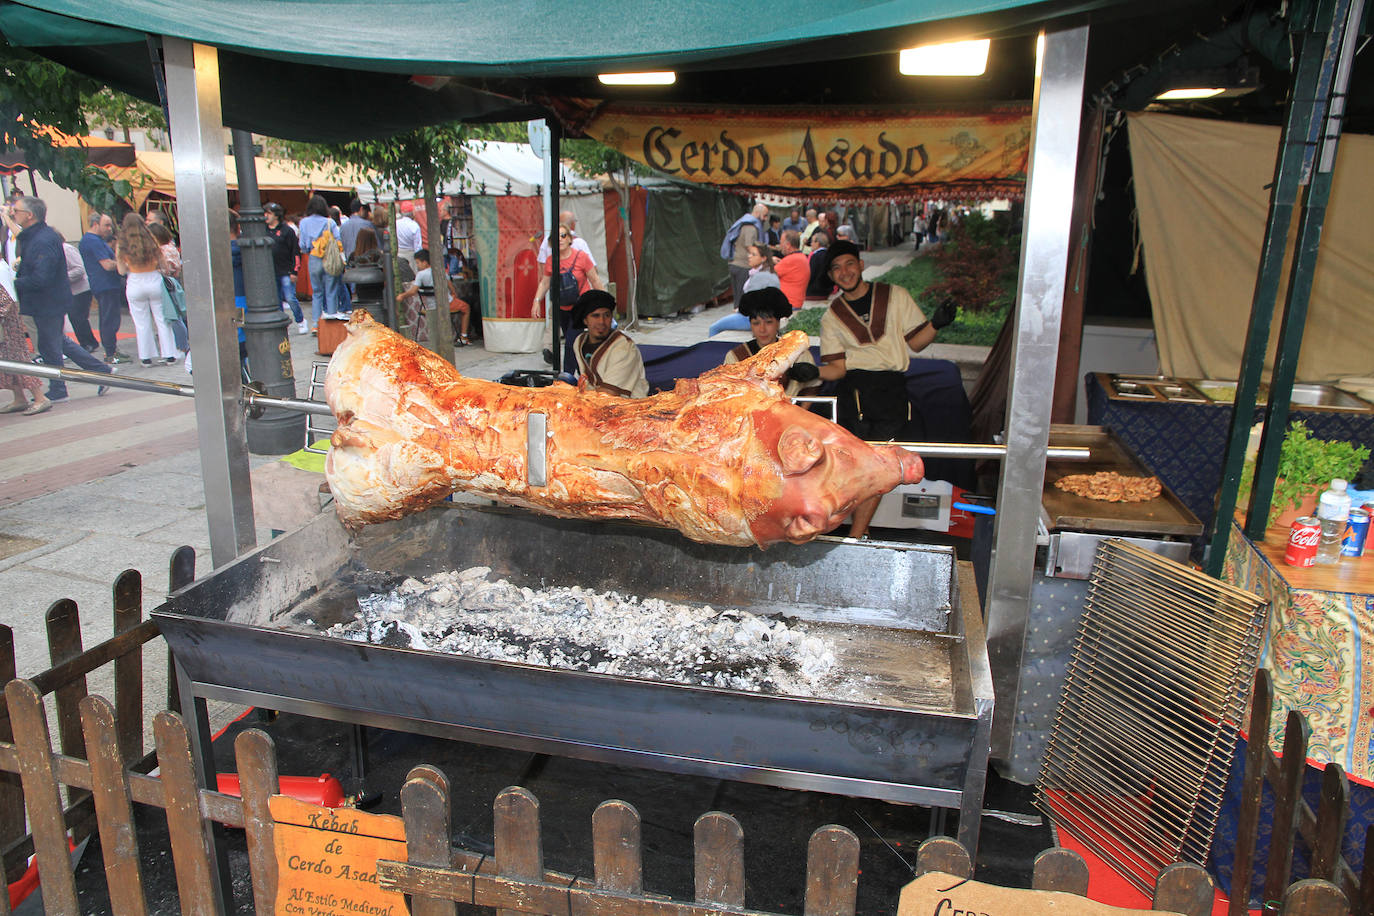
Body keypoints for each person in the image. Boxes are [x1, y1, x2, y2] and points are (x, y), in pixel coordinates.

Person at [817, 240, 956, 539]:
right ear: (831, 276)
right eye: (837, 268)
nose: (845, 272)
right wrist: (809, 372)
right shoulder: (831, 316)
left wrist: (936, 323)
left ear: (861, 264)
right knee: (856, 469)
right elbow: (837, 369)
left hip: (891, 391)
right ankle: (853, 535)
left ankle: (855, 536)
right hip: (854, 394)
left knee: (876, 468)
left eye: (849, 264)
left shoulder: (895, 296)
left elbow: (916, 342)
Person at [9, 197, 113, 405]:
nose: (13, 214)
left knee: (49, 346)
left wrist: (14, 283)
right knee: (57, 342)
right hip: (45, 300)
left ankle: (59, 388)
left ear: (29, 215)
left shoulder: (43, 239)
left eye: (16, 211)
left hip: (48, 300)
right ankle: (101, 371)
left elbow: (42, 277)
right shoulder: (34, 236)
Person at [724, 287, 820, 399]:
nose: (762, 329)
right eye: (756, 323)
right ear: (750, 325)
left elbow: (812, 389)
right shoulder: (735, 357)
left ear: (778, 323)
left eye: (769, 322)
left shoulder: (798, 355)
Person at [534, 223, 603, 370]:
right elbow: (545, 282)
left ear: (570, 239)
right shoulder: (551, 260)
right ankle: (584, 368)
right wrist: (536, 300)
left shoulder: (581, 257)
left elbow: (595, 279)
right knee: (575, 342)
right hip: (562, 307)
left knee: (571, 342)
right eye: (556, 236)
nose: (560, 239)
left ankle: (567, 378)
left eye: (563, 235)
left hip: (580, 306)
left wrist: (604, 302)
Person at [116, 212, 179, 366]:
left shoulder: (122, 244)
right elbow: (163, 264)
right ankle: (169, 354)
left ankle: (146, 357)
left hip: (135, 282)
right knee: (162, 319)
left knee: (141, 322)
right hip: (154, 280)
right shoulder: (151, 239)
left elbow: (121, 271)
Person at [570, 289, 646, 398]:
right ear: (585, 320)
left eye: (607, 315)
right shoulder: (579, 342)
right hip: (592, 404)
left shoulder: (624, 347)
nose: (602, 321)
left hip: (627, 407)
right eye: (595, 316)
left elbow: (608, 394)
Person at [78, 210, 130, 364]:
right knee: (109, 319)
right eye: (106, 225)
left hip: (106, 284)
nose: (110, 229)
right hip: (105, 285)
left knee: (110, 318)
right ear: (95, 225)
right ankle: (110, 353)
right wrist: (125, 265)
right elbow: (107, 265)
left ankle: (112, 350)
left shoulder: (94, 240)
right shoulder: (93, 241)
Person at [0, 258, 48, 414]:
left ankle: (40, 398)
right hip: (6, 319)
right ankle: (19, 398)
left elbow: (6, 301)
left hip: (6, 323)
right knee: (7, 362)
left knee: (17, 360)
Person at [396, 247, 469, 346]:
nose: (417, 265)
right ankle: (464, 336)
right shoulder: (440, 271)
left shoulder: (420, 275)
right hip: (446, 304)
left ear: (425, 262)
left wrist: (402, 295)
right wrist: (453, 294)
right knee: (466, 308)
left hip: (429, 307)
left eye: (418, 263)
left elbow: (413, 291)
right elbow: (450, 286)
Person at [298, 194, 344, 329]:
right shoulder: (330, 222)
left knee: (317, 292)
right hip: (329, 259)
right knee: (331, 291)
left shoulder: (304, 222)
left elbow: (303, 245)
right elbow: (338, 239)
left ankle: (316, 324)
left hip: (313, 258)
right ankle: (331, 323)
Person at [264, 203, 307, 334]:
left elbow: (295, 251)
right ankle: (281, 324)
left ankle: (300, 320)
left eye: (269, 213)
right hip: (271, 271)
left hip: (286, 270)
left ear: (276, 215)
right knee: (276, 300)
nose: (266, 216)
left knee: (290, 298)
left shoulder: (287, 230)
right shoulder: (263, 230)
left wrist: (295, 270)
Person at [723, 202, 768, 308]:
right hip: (742, 265)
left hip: (735, 263)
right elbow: (749, 245)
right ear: (757, 213)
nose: (765, 219)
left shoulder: (742, 223)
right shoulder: (750, 227)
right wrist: (763, 256)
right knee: (742, 298)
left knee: (738, 297)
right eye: (765, 215)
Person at [62, 238, 98, 351]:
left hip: (81, 288)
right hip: (71, 289)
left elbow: (79, 269)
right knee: (76, 317)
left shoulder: (67, 249)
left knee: (77, 316)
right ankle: (87, 342)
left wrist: (62, 277)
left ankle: (88, 343)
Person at [772, 230, 810, 310]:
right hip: (794, 303)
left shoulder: (791, 260)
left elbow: (767, 275)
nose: (780, 245)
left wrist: (768, 260)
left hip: (787, 304)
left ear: (788, 245)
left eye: (781, 243)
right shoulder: (801, 257)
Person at [804, 231, 833, 304]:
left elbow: (811, 275)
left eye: (812, 242)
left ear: (818, 243)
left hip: (814, 292)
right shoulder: (829, 255)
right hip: (827, 290)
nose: (811, 244)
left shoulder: (816, 256)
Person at [393, 202, 422, 269]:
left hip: (399, 253)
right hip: (411, 255)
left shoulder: (396, 224)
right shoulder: (414, 226)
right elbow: (418, 246)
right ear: (412, 212)